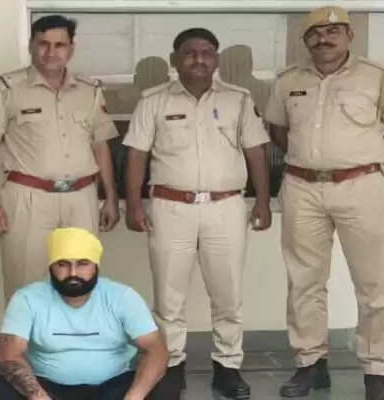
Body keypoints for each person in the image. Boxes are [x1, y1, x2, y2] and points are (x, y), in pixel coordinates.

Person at [263, 6, 384, 400]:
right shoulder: (287, 81)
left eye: (333, 31)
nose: (324, 39)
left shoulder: (378, 76)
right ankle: (310, 365)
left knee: (374, 283)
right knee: (304, 281)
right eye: (315, 33)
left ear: (349, 35)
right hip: (302, 187)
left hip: (362, 188)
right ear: (305, 40)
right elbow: (279, 132)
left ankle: (377, 371)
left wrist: (372, 170)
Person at [123, 28, 272, 399]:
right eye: (190, 52)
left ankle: (228, 366)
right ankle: (170, 367)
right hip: (170, 207)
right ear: (175, 60)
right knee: (168, 296)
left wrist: (263, 200)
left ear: (216, 59)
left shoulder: (238, 99)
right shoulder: (153, 100)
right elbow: (137, 155)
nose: (199, 59)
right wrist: (134, 203)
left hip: (226, 207)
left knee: (228, 293)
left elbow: (256, 152)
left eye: (207, 52)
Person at [0, 15, 120, 301]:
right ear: (31, 45)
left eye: (59, 45)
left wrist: (112, 198)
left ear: (71, 49)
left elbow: (100, 146)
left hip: (81, 198)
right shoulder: (6, 88)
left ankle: (75, 332)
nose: (51, 52)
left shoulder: (89, 90)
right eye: (43, 44)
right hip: (28, 197)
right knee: (26, 283)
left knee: (81, 282)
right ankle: (27, 333)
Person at [0, 227, 169, 400]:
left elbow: (156, 350)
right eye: (63, 264)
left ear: (96, 266)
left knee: (160, 385)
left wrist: (134, 397)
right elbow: (9, 356)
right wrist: (38, 396)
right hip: (48, 389)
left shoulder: (123, 296)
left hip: (113, 387)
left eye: (82, 264)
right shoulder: (27, 298)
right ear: (51, 267)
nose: (73, 273)